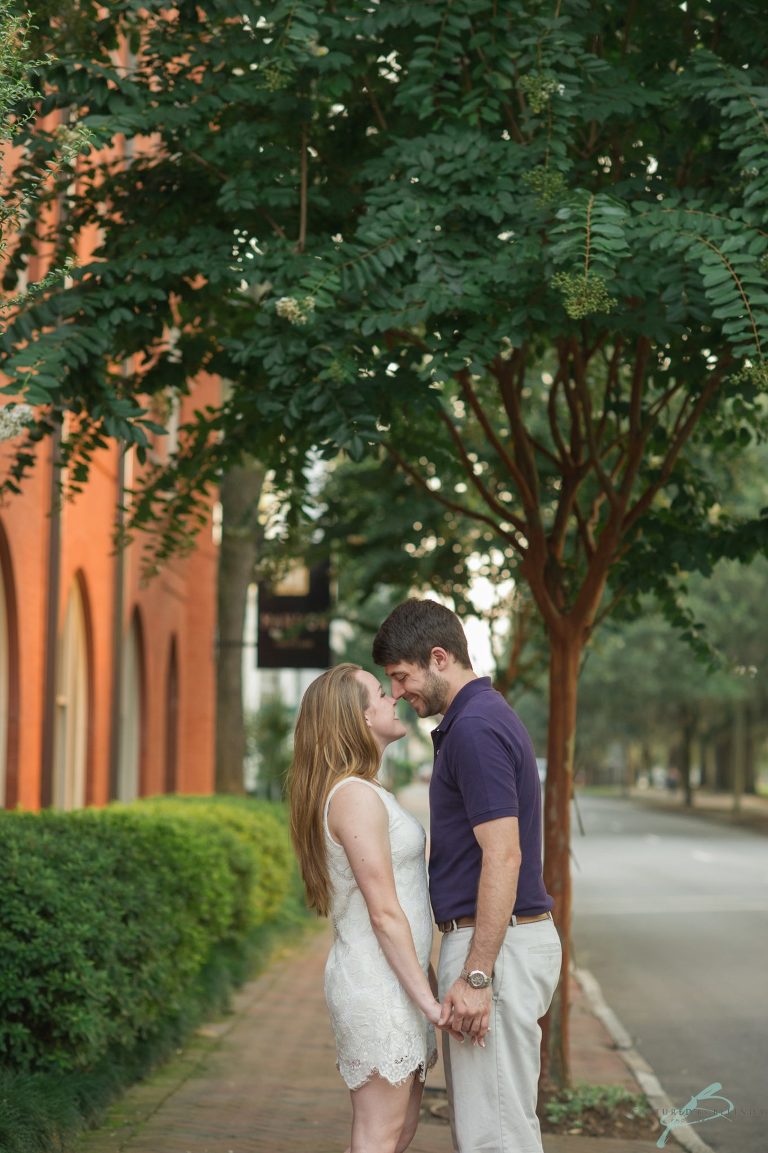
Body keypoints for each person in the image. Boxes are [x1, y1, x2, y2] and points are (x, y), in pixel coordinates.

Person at [373, 599, 562, 1153]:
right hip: (498, 945)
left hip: (494, 951)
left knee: (494, 1137)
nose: (400, 693)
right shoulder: (475, 720)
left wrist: (477, 976)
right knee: (493, 1129)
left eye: (402, 677)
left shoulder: (475, 727)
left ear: (439, 657)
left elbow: (504, 857)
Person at [287, 662, 459, 1153]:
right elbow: (384, 912)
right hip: (377, 985)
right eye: (380, 694)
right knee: (380, 1135)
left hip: (400, 981)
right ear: (357, 717)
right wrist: (429, 1001)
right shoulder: (354, 797)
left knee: (399, 1130)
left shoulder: (365, 790)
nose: (394, 699)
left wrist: (424, 985)